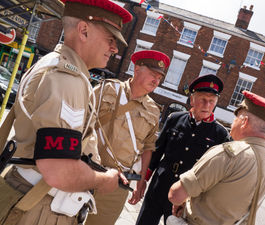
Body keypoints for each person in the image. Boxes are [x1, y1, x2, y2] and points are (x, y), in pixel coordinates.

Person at [1, 0, 133, 224]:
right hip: (38, 207)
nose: (114, 49)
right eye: (110, 40)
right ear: (83, 30)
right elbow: (58, 170)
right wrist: (103, 180)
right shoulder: (66, 79)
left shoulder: (56, 65)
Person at [168, 90, 265, 225]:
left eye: (236, 117)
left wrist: (182, 202)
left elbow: (175, 194)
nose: (233, 123)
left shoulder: (229, 154)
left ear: (244, 121)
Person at [85, 50, 170, 225]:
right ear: (137, 69)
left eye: (160, 78)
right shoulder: (106, 89)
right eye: (153, 74)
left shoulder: (153, 111)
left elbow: (148, 148)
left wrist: (140, 182)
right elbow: (81, 121)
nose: (156, 81)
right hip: (86, 170)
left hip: (117, 183)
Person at [136, 74, 231, 225]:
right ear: (192, 100)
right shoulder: (175, 118)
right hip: (159, 187)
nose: (207, 105)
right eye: (203, 100)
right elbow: (156, 152)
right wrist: (142, 180)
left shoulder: (220, 134)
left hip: (186, 197)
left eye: (212, 101)